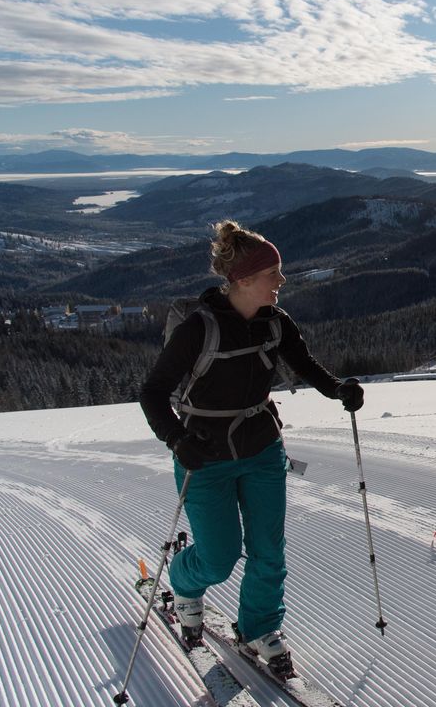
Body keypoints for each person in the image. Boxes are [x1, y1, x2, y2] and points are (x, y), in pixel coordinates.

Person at [140, 219, 363, 676]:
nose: (281, 281)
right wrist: (176, 439)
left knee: (268, 550)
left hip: (262, 448)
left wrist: (339, 388)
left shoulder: (275, 323)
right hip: (205, 455)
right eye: (272, 274)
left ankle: (259, 628)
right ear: (242, 280)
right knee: (218, 558)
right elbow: (153, 391)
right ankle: (184, 584)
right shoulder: (198, 330)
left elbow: (306, 366)